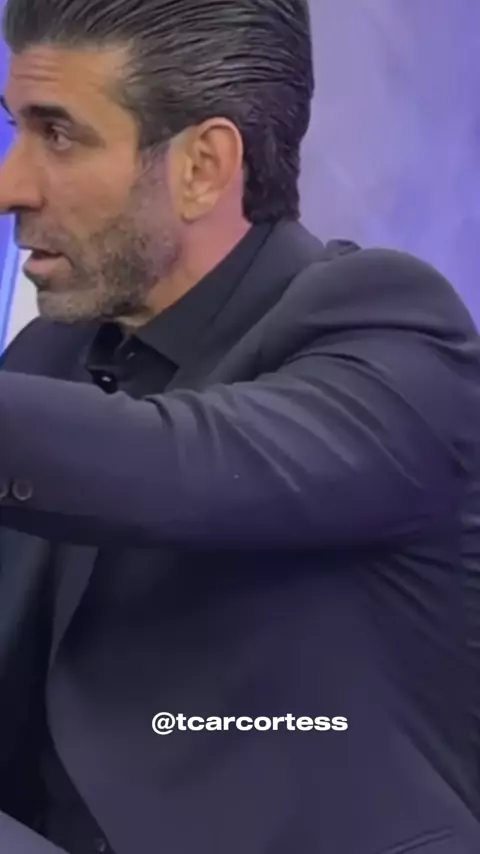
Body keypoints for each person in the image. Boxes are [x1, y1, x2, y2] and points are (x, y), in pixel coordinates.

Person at [0, 0, 479, 852]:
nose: (12, 185)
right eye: (15, 129)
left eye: (59, 134)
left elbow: (185, 465)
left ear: (203, 166)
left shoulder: (390, 328)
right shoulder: (45, 358)